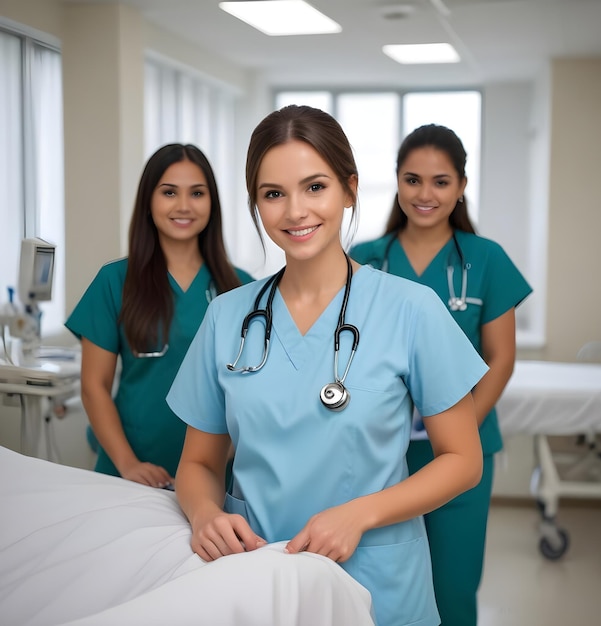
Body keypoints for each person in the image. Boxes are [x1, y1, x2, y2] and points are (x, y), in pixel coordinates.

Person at [166, 106, 488, 626]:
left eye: (314, 187)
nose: (295, 211)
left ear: (350, 189)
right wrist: (205, 514)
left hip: (377, 584)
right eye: (273, 194)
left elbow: (463, 459)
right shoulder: (226, 317)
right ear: (256, 204)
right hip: (258, 577)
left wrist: (359, 515)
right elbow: (199, 463)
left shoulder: (412, 308)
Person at [350, 123, 532, 626]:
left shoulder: (486, 259)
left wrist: (459, 429)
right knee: (372, 586)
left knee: (452, 587)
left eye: (440, 181)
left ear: (461, 187)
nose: (425, 194)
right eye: (412, 180)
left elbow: (501, 357)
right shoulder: (365, 259)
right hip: (377, 451)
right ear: (396, 182)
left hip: (463, 450)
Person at [66, 143, 253, 488]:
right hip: (132, 473)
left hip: (216, 476)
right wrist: (129, 465)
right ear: (148, 202)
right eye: (169, 192)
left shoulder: (241, 287)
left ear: (212, 203)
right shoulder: (115, 281)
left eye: (197, 193)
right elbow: (95, 387)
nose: (184, 205)